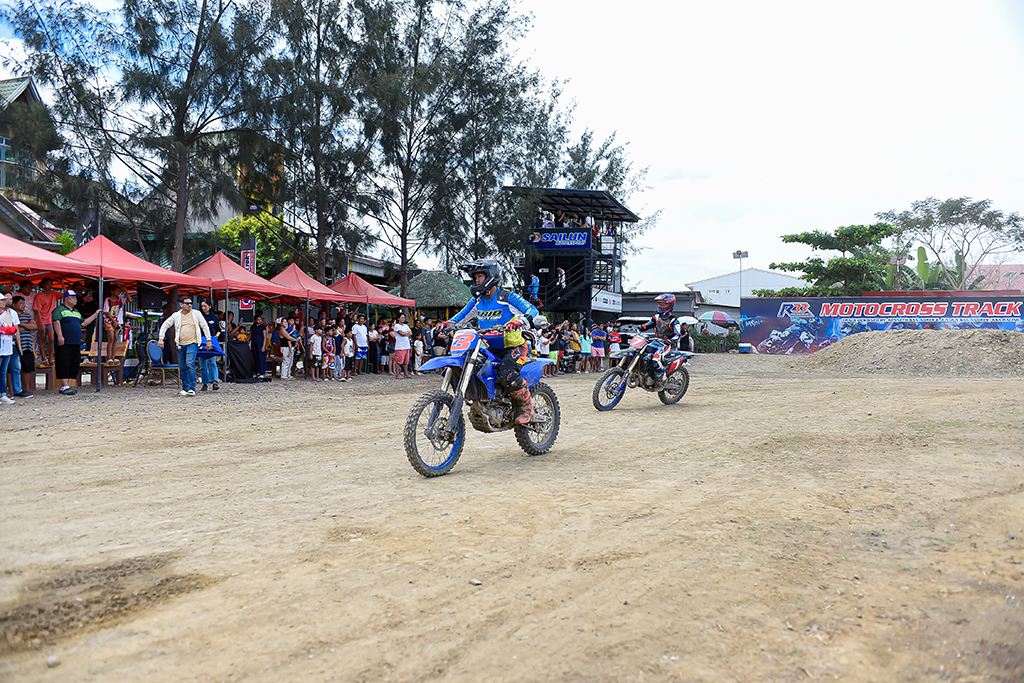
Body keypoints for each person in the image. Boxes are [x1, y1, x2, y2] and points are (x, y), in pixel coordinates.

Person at [445, 259, 540, 424]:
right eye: (475, 277)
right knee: (471, 366)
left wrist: (520, 321)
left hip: (513, 347)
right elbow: (462, 316)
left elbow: (532, 310)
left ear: (490, 276)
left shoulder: (506, 297)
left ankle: (526, 407)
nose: (477, 281)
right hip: (488, 347)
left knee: (507, 374)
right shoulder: (477, 301)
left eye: (479, 276)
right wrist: (447, 323)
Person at [157, 297, 212, 396]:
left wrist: (208, 339)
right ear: (181, 304)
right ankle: (185, 387)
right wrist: (161, 338)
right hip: (180, 344)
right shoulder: (176, 315)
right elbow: (165, 325)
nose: (189, 305)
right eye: (187, 303)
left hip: (193, 343)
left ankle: (192, 387)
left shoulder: (196, 314)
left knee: (189, 363)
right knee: (182, 366)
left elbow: (204, 326)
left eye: (190, 303)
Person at [52, 290, 101, 396]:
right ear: (66, 299)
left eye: (75, 297)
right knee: (64, 361)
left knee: (73, 362)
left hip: (75, 341)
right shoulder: (59, 310)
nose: (75, 300)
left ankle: (67, 385)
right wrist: (60, 336)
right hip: (65, 341)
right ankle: (64, 385)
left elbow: (83, 323)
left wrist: (95, 315)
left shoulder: (76, 312)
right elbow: (56, 322)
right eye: (72, 297)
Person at [636, 293, 682, 381]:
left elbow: (677, 335)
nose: (661, 306)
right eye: (660, 304)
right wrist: (637, 327)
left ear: (670, 305)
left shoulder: (673, 320)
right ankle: (646, 375)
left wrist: (671, 340)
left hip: (665, 345)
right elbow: (647, 325)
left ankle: (662, 376)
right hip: (654, 342)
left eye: (664, 304)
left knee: (655, 360)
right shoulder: (656, 317)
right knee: (643, 357)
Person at [13, 295, 36, 396]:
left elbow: (34, 326)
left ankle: (26, 389)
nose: (23, 305)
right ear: (14, 304)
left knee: (27, 368)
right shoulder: (11, 315)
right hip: (15, 345)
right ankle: (12, 390)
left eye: (24, 303)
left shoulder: (27, 315)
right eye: (21, 303)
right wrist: (27, 326)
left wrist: (20, 324)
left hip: (27, 345)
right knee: (12, 368)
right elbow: (13, 329)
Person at [0, 291, 22, 403]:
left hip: (8, 345)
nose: (4, 302)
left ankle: (2, 394)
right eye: (2, 300)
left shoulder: (9, 313)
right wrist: (6, 330)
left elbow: (13, 329)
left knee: (3, 372)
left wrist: (6, 330)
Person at [33, 278, 61, 365]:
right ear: (43, 285)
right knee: (43, 339)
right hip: (41, 320)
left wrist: (62, 283)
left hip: (50, 319)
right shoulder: (39, 296)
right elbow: (38, 311)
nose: (50, 285)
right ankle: (43, 358)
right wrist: (41, 324)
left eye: (51, 284)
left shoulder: (54, 293)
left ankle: (50, 357)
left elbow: (65, 294)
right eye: (48, 284)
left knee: (51, 339)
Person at [199, 300, 221, 390]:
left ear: (210, 306)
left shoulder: (214, 317)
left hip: (211, 340)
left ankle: (215, 381)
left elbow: (218, 330)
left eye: (205, 306)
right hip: (201, 340)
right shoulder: (199, 317)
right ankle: (205, 383)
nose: (203, 308)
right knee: (202, 363)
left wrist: (215, 337)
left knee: (212, 361)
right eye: (202, 306)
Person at [393, 312, 412, 379]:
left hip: (406, 345)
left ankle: (406, 374)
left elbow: (410, 333)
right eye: (402, 317)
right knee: (398, 361)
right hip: (400, 346)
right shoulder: (397, 326)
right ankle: (397, 374)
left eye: (404, 317)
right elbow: (401, 333)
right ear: (398, 318)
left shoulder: (406, 326)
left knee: (406, 362)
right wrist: (407, 333)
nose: (403, 319)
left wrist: (405, 333)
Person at [278, 314, 298, 380]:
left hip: (289, 346)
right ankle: (284, 375)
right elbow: (288, 337)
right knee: (286, 361)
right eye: (284, 322)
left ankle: (288, 374)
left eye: (286, 322)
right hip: (285, 347)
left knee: (290, 361)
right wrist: (295, 340)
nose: (286, 323)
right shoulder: (281, 330)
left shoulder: (285, 329)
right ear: (281, 323)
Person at [249, 313, 269, 378]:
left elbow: (265, 337)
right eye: (258, 319)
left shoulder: (263, 327)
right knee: (255, 357)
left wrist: (263, 346)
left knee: (261, 358)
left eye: (260, 319)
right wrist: (247, 340)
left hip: (260, 343)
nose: (260, 321)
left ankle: (262, 372)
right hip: (254, 343)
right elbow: (250, 335)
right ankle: (256, 372)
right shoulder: (253, 327)